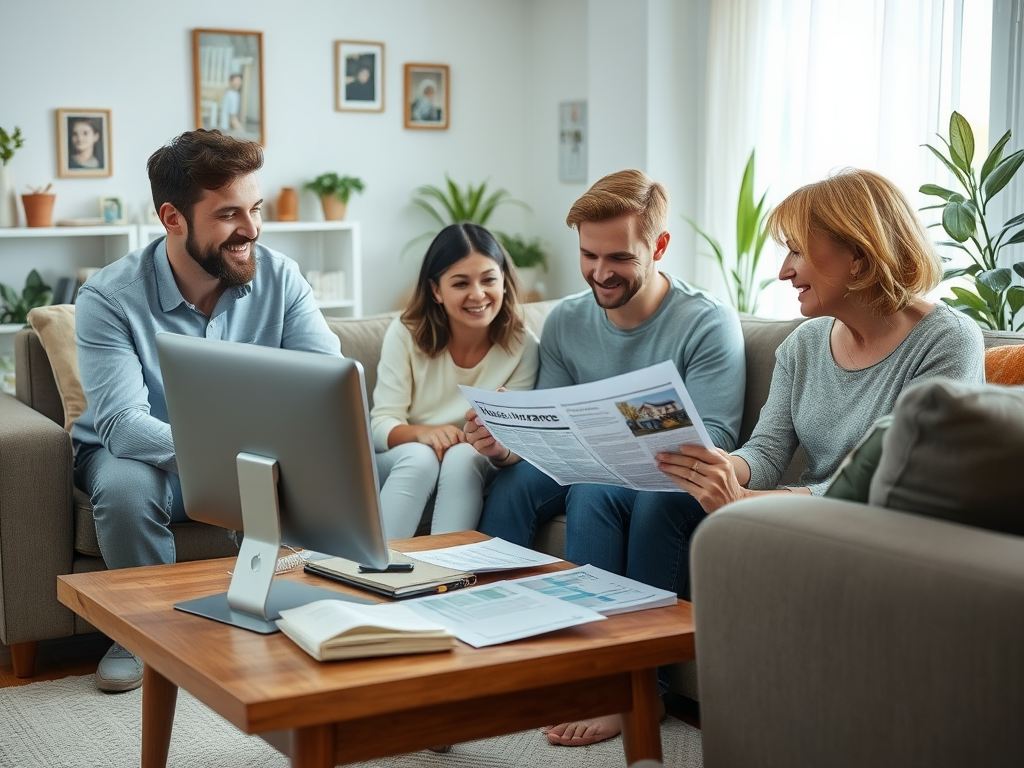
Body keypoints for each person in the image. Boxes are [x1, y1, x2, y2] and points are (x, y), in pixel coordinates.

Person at [466, 168, 745, 746]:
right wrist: (505, 442)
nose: (600, 272)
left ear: (659, 246)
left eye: (618, 257)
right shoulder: (567, 319)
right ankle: (496, 645)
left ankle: (625, 686)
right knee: (513, 486)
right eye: (588, 255)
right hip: (586, 462)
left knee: (600, 496)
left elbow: (715, 433)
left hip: (664, 477)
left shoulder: (705, 322)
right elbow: (550, 419)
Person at [72, 129, 341, 693]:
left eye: (255, 209)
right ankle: (140, 632)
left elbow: (326, 386)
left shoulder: (281, 278)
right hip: (139, 456)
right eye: (228, 215)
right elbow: (122, 424)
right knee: (125, 485)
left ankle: (271, 609)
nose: (251, 229)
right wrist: (237, 458)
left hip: (248, 450)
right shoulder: (108, 297)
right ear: (173, 218)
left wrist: (267, 452)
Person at [656, 168, 985, 512]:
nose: (784, 271)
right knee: (664, 505)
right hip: (814, 522)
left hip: (889, 528)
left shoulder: (947, 341)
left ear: (858, 255)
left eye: (796, 251)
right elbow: (766, 451)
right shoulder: (804, 344)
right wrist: (719, 467)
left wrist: (745, 501)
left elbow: (903, 479)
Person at [371, 223, 539, 539]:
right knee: (421, 457)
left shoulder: (524, 346)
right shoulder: (405, 333)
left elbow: (518, 440)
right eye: (460, 283)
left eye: (489, 279)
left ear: (504, 280)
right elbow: (380, 425)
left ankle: (449, 574)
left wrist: (494, 439)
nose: (477, 294)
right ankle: (378, 572)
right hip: (408, 460)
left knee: (464, 454)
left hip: (476, 462)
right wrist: (424, 434)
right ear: (436, 290)